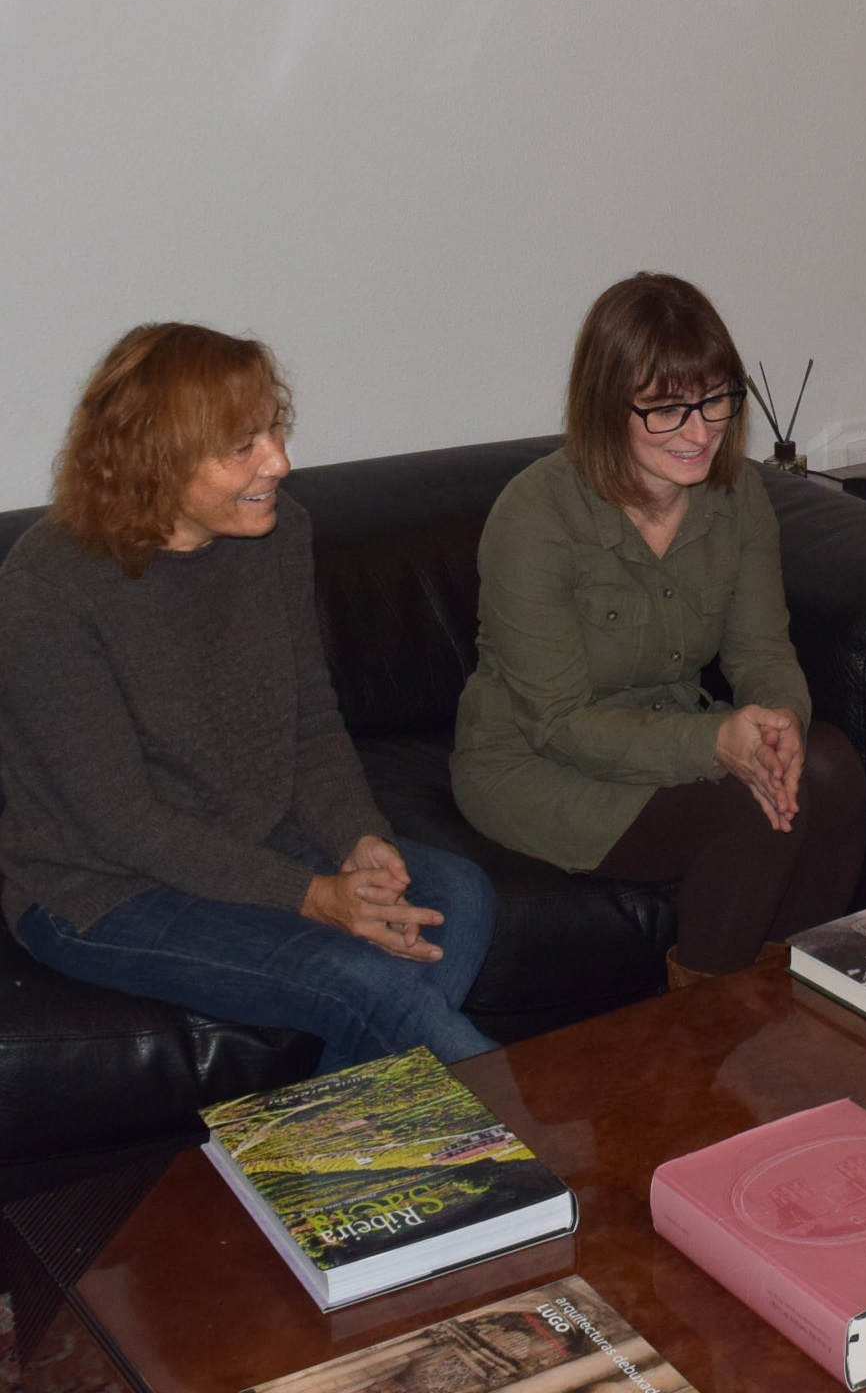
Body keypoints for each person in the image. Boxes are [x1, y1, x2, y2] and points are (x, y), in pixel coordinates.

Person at [0, 324, 497, 1073]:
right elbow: (118, 820)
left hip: (256, 838)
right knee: (356, 975)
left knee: (455, 894)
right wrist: (313, 896)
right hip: (99, 887)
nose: (279, 462)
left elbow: (310, 721)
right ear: (155, 461)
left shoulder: (278, 532)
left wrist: (359, 836)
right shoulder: (49, 590)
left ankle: (334, 1143)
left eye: (272, 429)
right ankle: (526, 1129)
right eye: (242, 447)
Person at [451, 272, 866, 983]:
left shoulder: (737, 495)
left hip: (664, 731)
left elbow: (762, 651)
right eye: (667, 410)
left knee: (829, 769)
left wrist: (780, 726)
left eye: (715, 400)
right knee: (750, 808)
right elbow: (557, 721)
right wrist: (716, 743)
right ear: (605, 404)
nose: (700, 432)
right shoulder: (535, 518)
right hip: (536, 762)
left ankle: (799, 1009)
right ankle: (707, 1033)